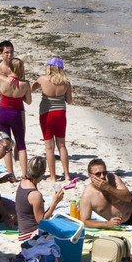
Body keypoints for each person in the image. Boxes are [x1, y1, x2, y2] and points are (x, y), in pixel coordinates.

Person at [0, 40, 32, 181]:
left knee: (6, 142)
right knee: (20, 143)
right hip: (14, 109)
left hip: (4, 110)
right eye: (6, 52)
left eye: (11, 52)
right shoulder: (7, 73)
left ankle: (11, 173)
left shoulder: (4, 79)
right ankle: (24, 174)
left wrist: (3, 88)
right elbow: (28, 100)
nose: (9, 55)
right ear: (1, 54)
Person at [76, 158, 132, 230]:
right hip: (131, 220)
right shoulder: (88, 195)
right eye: (98, 174)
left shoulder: (113, 178)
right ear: (90, 176)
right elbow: (85, 221)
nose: (102, 177)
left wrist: (107, 187)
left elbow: (128, 197)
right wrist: (107, 224)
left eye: (104, 173)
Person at [35, 57, 76, 186]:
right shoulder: (66, 82)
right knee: (62, 145)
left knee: (49, 147)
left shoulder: (42, 79)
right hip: (60, 113)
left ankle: (53, 176)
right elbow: (69, 101)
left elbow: (29, 89)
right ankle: (67, 175)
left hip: (46, 113)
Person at [15, 157, 67, 244]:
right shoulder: (35, 195)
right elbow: (41, 220)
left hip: (22, 230)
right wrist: (54, 202)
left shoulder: (23, 181)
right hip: (30, 234)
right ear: (43, 172)